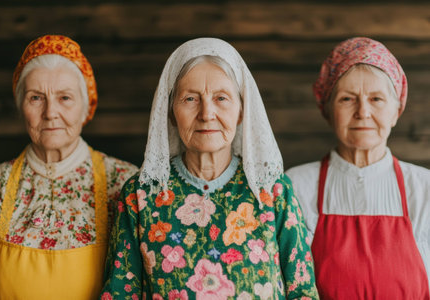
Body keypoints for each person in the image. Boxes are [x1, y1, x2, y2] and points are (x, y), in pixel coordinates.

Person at [100, 37, 318, 300]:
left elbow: (303, 292)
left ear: (241, 111)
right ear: (170, 112)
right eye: (190, 98)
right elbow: (120, 293)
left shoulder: (272, 190)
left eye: (221, 98)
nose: (206, 113)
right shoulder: (141, 194)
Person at [0, 35, 138, 299]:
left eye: (64, 97)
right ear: (21, 106)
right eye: (36, 98)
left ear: (86, 107)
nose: (50, 112)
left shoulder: (125, 184)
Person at [286, 37, 430, 299]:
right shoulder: (294, 187)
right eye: (347, 99)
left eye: (376, 99)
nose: (362, 112)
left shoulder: (425, 189)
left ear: (396, 110)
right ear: (328, 110)